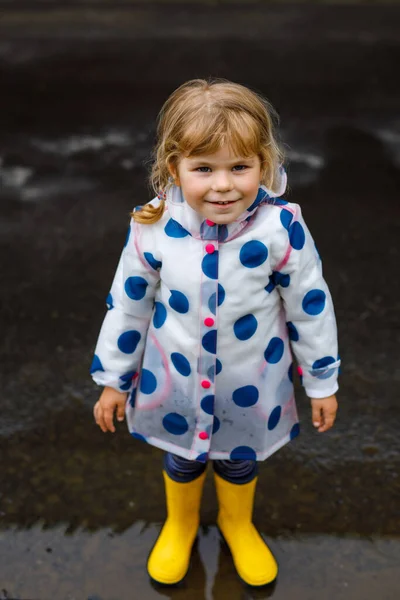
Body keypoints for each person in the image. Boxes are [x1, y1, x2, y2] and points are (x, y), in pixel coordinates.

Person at [90, 79, 340, 587]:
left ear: (264, 164)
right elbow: (128, 305)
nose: (223, 185)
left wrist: (322, 382)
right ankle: (180, 524)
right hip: (175, 380)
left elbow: (311, 307)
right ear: (173, 167)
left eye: (239, 167)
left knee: (239, 462)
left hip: (252, 380)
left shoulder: (280, 228)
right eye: (204, 168)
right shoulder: (152, 225)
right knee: (181, 458)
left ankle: (236, 522)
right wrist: (114, 380)